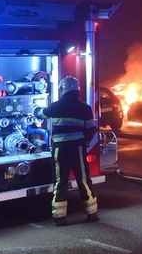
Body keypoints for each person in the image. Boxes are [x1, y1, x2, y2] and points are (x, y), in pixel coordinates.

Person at [34, 76, 99, 226]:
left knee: (60, 181)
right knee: (83, 180)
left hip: (60, 149)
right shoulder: (85, 107)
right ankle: (92, 213)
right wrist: (85, 143)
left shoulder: (56, 106)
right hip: (77, 148)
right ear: (77, 90)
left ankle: (59, 217)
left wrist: (35, 108)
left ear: (62, 89)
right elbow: (90, 129)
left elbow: (41, 114)